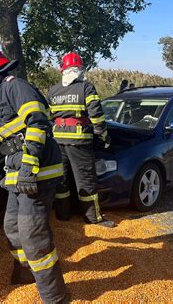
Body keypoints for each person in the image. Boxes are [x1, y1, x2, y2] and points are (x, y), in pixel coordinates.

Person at [0, 45, 69, 303]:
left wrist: (29, 168)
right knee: (12, 228)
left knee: (33, 236)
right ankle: (27, 273)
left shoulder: (16, 87)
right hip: (17, 177)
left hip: (36, 175)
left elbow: (38, 122)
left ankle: (55, 296)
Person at [47, 52, 115, 228]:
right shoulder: (86, 88)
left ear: (63, 69)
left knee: (62, 179)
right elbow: (97, 117)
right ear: (79, 69)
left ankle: (63, 215)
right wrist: (103, 136)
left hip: (57, 141)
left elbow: (47, 117)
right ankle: (92, 217)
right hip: (79, 141)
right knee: (86, 180)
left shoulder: (53, 91)